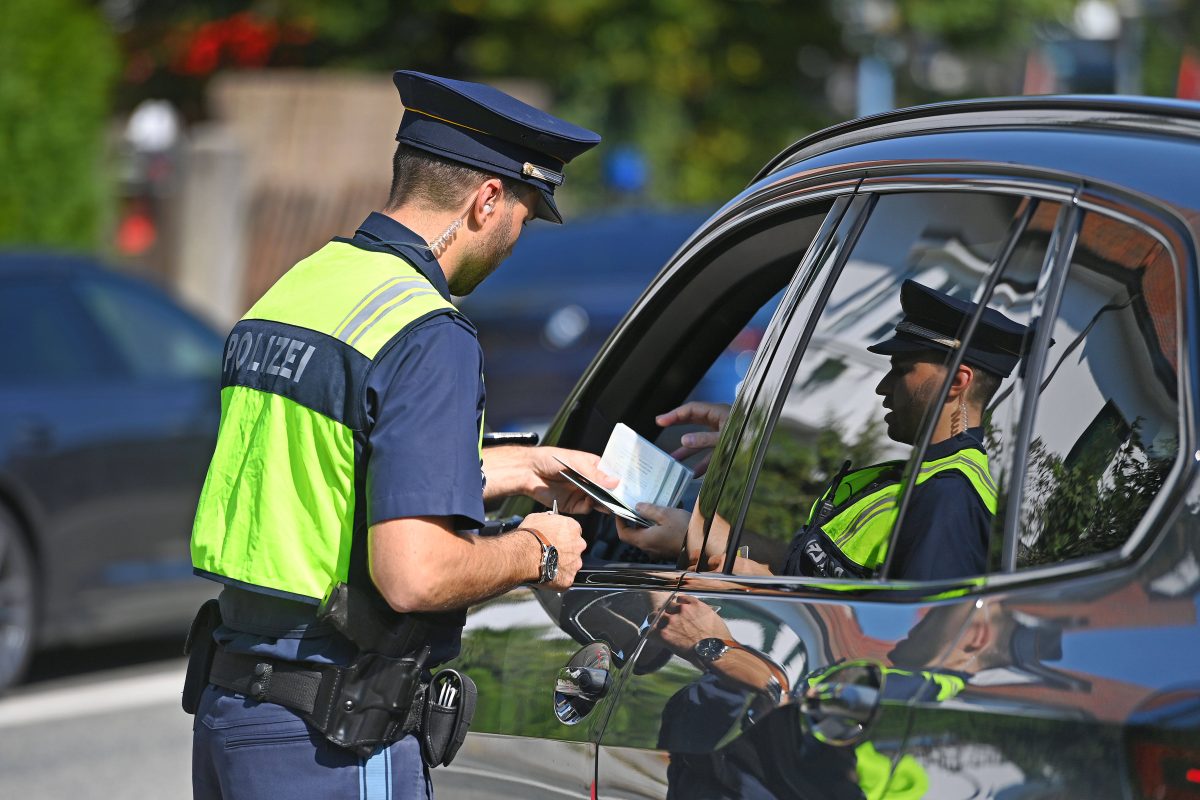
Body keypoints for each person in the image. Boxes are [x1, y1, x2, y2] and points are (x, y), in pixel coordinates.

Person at [184, 71, 615, 799]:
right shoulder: (427, 333)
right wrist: (538, 550)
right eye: (523, 214)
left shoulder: (299, 290)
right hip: (330, 733)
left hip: (234, 711)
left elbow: (319, 472)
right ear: (486, 200)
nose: (514, 241)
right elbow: (413, 575)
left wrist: (511, 466)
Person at [618, 280, 1029, 581]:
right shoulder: (906, 479)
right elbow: (808, 568)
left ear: (957, 382)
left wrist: (717, 642)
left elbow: (906, 640)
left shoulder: (948, 495)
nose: (883, 387)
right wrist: (697, 535)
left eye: (901, 371)